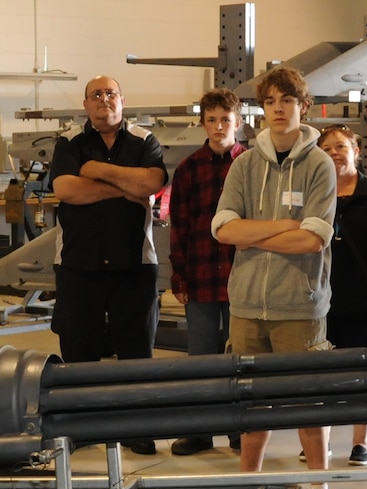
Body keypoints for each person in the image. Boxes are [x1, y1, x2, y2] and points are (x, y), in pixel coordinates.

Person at [212, 66, 342, 489]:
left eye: (288, 100)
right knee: (253, 404)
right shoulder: (245, 164)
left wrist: (255, 233)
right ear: (262, 109)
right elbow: (224, 228)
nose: (279, 109)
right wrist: (284, 226)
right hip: (247, 304)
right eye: (271, 102)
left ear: (303, 107)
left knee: (309, 403)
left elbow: (314, 240)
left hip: (300, 306)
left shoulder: (319, 164)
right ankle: (249, 487)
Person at [49, 75, 170, 454]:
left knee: (136, 351)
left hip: (134, 264)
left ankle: (136, 428)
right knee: (79, 351)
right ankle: (81, 429)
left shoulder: (143, 140)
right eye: (96, 95)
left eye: (111, 94)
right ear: (85, 104)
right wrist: (124, 188)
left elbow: (151, 182)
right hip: (77, 265)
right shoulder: (69, 142)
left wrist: (96, 171)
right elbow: (65, 189)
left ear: (123, 99)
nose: (104, 100)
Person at [165, 88, 244, 457]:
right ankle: (199, 431)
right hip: (199, 276)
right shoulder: (187, 169)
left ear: (238, 122)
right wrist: (178, 274)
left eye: (225, 120)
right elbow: (178, 224)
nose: (218, 127)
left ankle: (240, 432)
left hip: (241, 276)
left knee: (240, 355)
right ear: (202, 124)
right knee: (200, 358)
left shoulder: (251, 165)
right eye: (211, 120)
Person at [320, 125, 367, 468]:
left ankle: (361, 443)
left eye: (341, 146)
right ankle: (321, 441)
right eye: (328, 148)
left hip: (364, 303)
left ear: (357, 151)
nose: (335, 153)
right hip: (320, 300)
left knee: (364, 376)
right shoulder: (314, 195)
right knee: (322, 377)